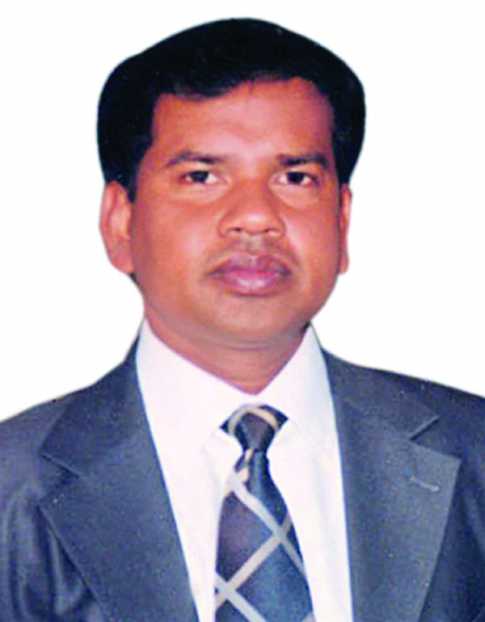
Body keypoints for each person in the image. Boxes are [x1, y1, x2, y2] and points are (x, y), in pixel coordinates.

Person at [1, 17, 484, 622]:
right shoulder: (14, 489)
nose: (256, 217)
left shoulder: (472, 456)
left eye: (295, 178)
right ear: (121, 222)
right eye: (202, 176)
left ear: (341, 221)